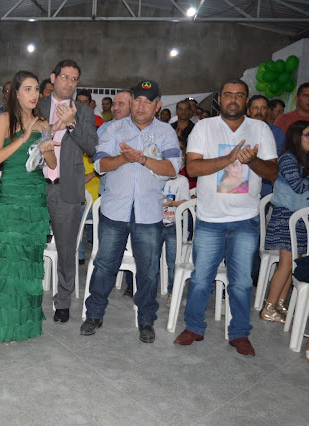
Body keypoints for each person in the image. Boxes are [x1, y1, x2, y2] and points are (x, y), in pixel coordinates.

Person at [175, 78, 278, 356]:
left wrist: (251, 160)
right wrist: (230, 158)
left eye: (239, 95)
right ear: (219, 99)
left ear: (247, 100)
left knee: (242, 282)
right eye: (228, 94)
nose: (233, 99)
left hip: (245, 219)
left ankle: (240, 333)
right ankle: (194, 327)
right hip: (210, 219)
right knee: (201, 279)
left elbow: (272, 173)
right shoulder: (205, 127)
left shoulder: (260, 129)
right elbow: (193, 168)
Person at [81, 80, 180, 343]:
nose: (141, 106)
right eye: (137, 100)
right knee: (104, 265)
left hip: (148, 213)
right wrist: (124, 158)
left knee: (148, 270)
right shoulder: (114, 129)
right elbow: (100, 164)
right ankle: (94, 315)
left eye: (148, 101)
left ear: (157, 105)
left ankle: (146, 320)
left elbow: (172, 168)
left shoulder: (166, 133)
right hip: (115, 210)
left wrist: (144, 160)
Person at [0, 70, 59, 343]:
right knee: (10, 260)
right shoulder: (3, 119)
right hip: (12, 195)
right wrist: (24, 137)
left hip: (34, 197)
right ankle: (6, 324)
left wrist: (47, 148)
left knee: (28, 259)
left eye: (36, 89)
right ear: (15, 93)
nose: (34, 94)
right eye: (27, 89)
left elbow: (51, 165)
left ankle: (24, 323)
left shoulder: (43, 123)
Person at [39, 59, 98, 323]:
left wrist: (72, 124)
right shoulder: (37, 106)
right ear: (53, 78)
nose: (69, 83)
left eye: (74, 79)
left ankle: (62, 301)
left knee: (65, 250)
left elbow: (92, 147)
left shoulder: (83, 112)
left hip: (67, 189)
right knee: (30, 244)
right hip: (36, 186)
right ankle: (28, 295)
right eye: (65, 77)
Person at [262, 121, 309, 323]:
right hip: (285, 217)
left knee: (294, 264)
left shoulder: (304, 160)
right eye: (308, 135)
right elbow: (298, 186)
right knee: (286, 264)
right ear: (297, 137)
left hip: (300, 220)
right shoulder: (288, 159)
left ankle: (280, 304)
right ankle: (269, 307)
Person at [162, 140, 190, 308]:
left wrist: (172, 204)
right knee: (150, 258)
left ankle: (172, 291)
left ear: (182, 166)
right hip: (156, 223)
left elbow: (186, 202)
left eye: (179, 162)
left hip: (174, 226)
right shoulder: (158, 179)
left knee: (173, 261)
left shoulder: (182, 181)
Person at [246, 94, 285, 196]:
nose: (259, 112)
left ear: (268, 111)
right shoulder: (240, 131)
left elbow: (275, 161)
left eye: (263, 108)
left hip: (265, 187)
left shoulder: (276, 132)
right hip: (239, 186)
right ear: (248, 111)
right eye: (255, 108)